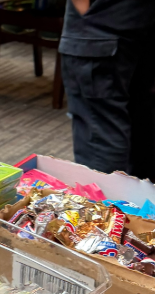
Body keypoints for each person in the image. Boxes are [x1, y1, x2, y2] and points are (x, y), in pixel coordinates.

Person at [60, 0, 155, 180]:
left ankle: (107, 204)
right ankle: (138, 204)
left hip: (102, 23)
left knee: (99, 131)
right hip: (139, 18)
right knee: (140, 121)